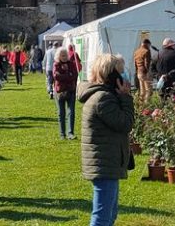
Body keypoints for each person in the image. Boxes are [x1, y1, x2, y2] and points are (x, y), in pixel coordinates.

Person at [77, 53, 134, 226]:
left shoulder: (104, 95)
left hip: (107, 161)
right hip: (104, 162)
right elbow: (125, 123)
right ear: (111, 75)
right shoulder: (103, 98)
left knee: (110, 213)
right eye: (121, 72)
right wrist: (126, 97)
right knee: (102, 217)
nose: (124, 76)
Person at [53, 47, 79, 140]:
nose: (64, 57)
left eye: (65, 55)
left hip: (71, 90)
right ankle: (62, 134)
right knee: (61, 113)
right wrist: (68, 75)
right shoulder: (56, 64)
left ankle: (70, 133)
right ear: (58, 56)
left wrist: (66, 75)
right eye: (62, 55)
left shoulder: (71, 64)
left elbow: (75, 75)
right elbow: (56, 76)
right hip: (60, 92)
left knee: (71, 112)